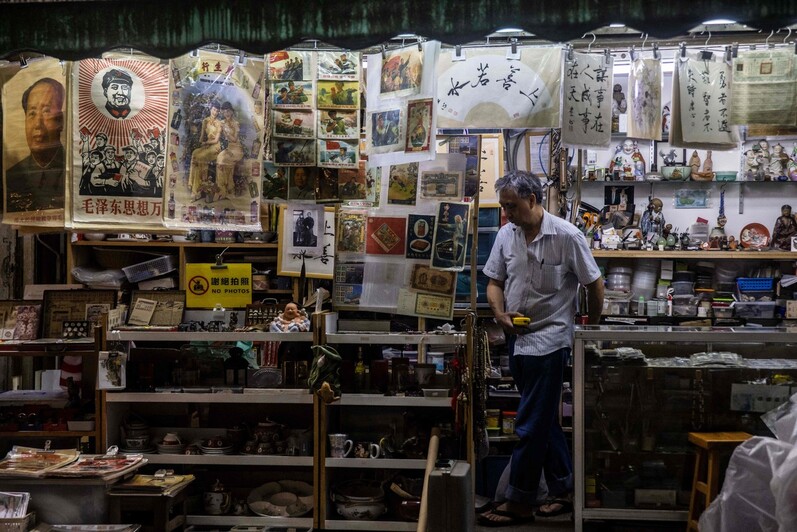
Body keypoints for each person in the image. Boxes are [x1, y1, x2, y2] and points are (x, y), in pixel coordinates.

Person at [478, 170, 603, 527]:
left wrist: (590, 328)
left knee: (530, 424)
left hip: (551, 340)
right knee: (544, 419)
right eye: (503, 207)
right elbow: (494, 282)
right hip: (517, 341)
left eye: (512, 206)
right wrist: (499, 313)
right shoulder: (506, 235)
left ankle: (520, 500)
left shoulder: (567, 236)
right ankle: (564, 491)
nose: (507, 214)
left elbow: (594, 285)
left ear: (533, 200)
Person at [5, 77, 66, 212]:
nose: (38, 124)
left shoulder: (74, 170)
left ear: (60, 121)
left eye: (46, 112)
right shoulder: (12, 177)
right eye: (32, 113)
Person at [188, 100, 222, 200]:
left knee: (200, 157)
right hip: (207, 146)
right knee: (195, 153)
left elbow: (216, 140)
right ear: (211, 109)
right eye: (214, 110)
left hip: (215, 147)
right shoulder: (205, 121)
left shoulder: (219, 123)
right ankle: (195, 185)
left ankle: (196, 191)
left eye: (217, 111)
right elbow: (202, 137)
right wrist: (201, 143)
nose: (215, 112)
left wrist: (206, 143)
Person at [215, 101, 243, 200]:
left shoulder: (236, 123)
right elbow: (217, 135)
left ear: (231, 111)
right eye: (224, 111)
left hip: (237, 149)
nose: (226, 113)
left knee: (223, 160)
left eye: (228, 111)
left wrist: (226, 132)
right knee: (219, 159)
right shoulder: (221, 123)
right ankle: (222, 189)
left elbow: (235, 139)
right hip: (228, 148)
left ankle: (228, 189)